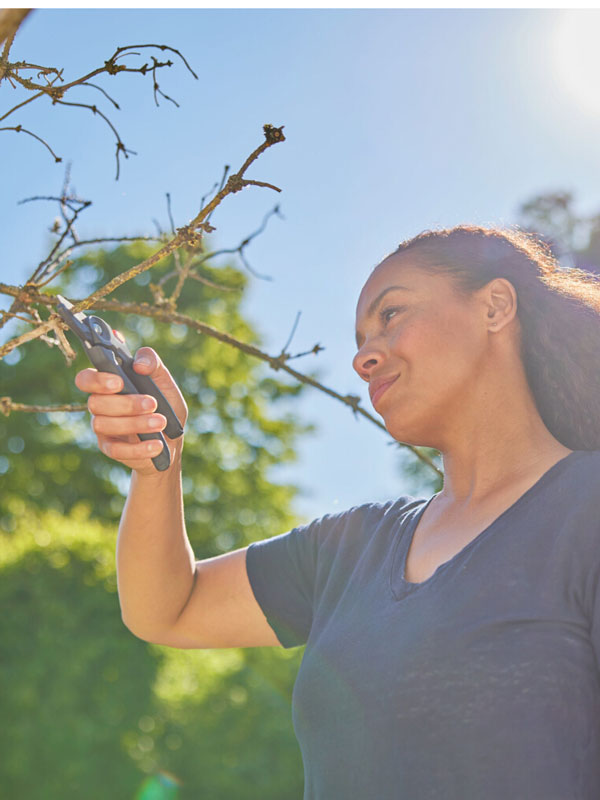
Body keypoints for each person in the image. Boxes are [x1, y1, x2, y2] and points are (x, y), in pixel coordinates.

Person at [75, 224, 600, 799]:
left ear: (496, 305)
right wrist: (160, 465)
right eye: (358, 338)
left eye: (392, 314)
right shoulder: (351, 546)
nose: (363, 357)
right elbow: (166, 609)